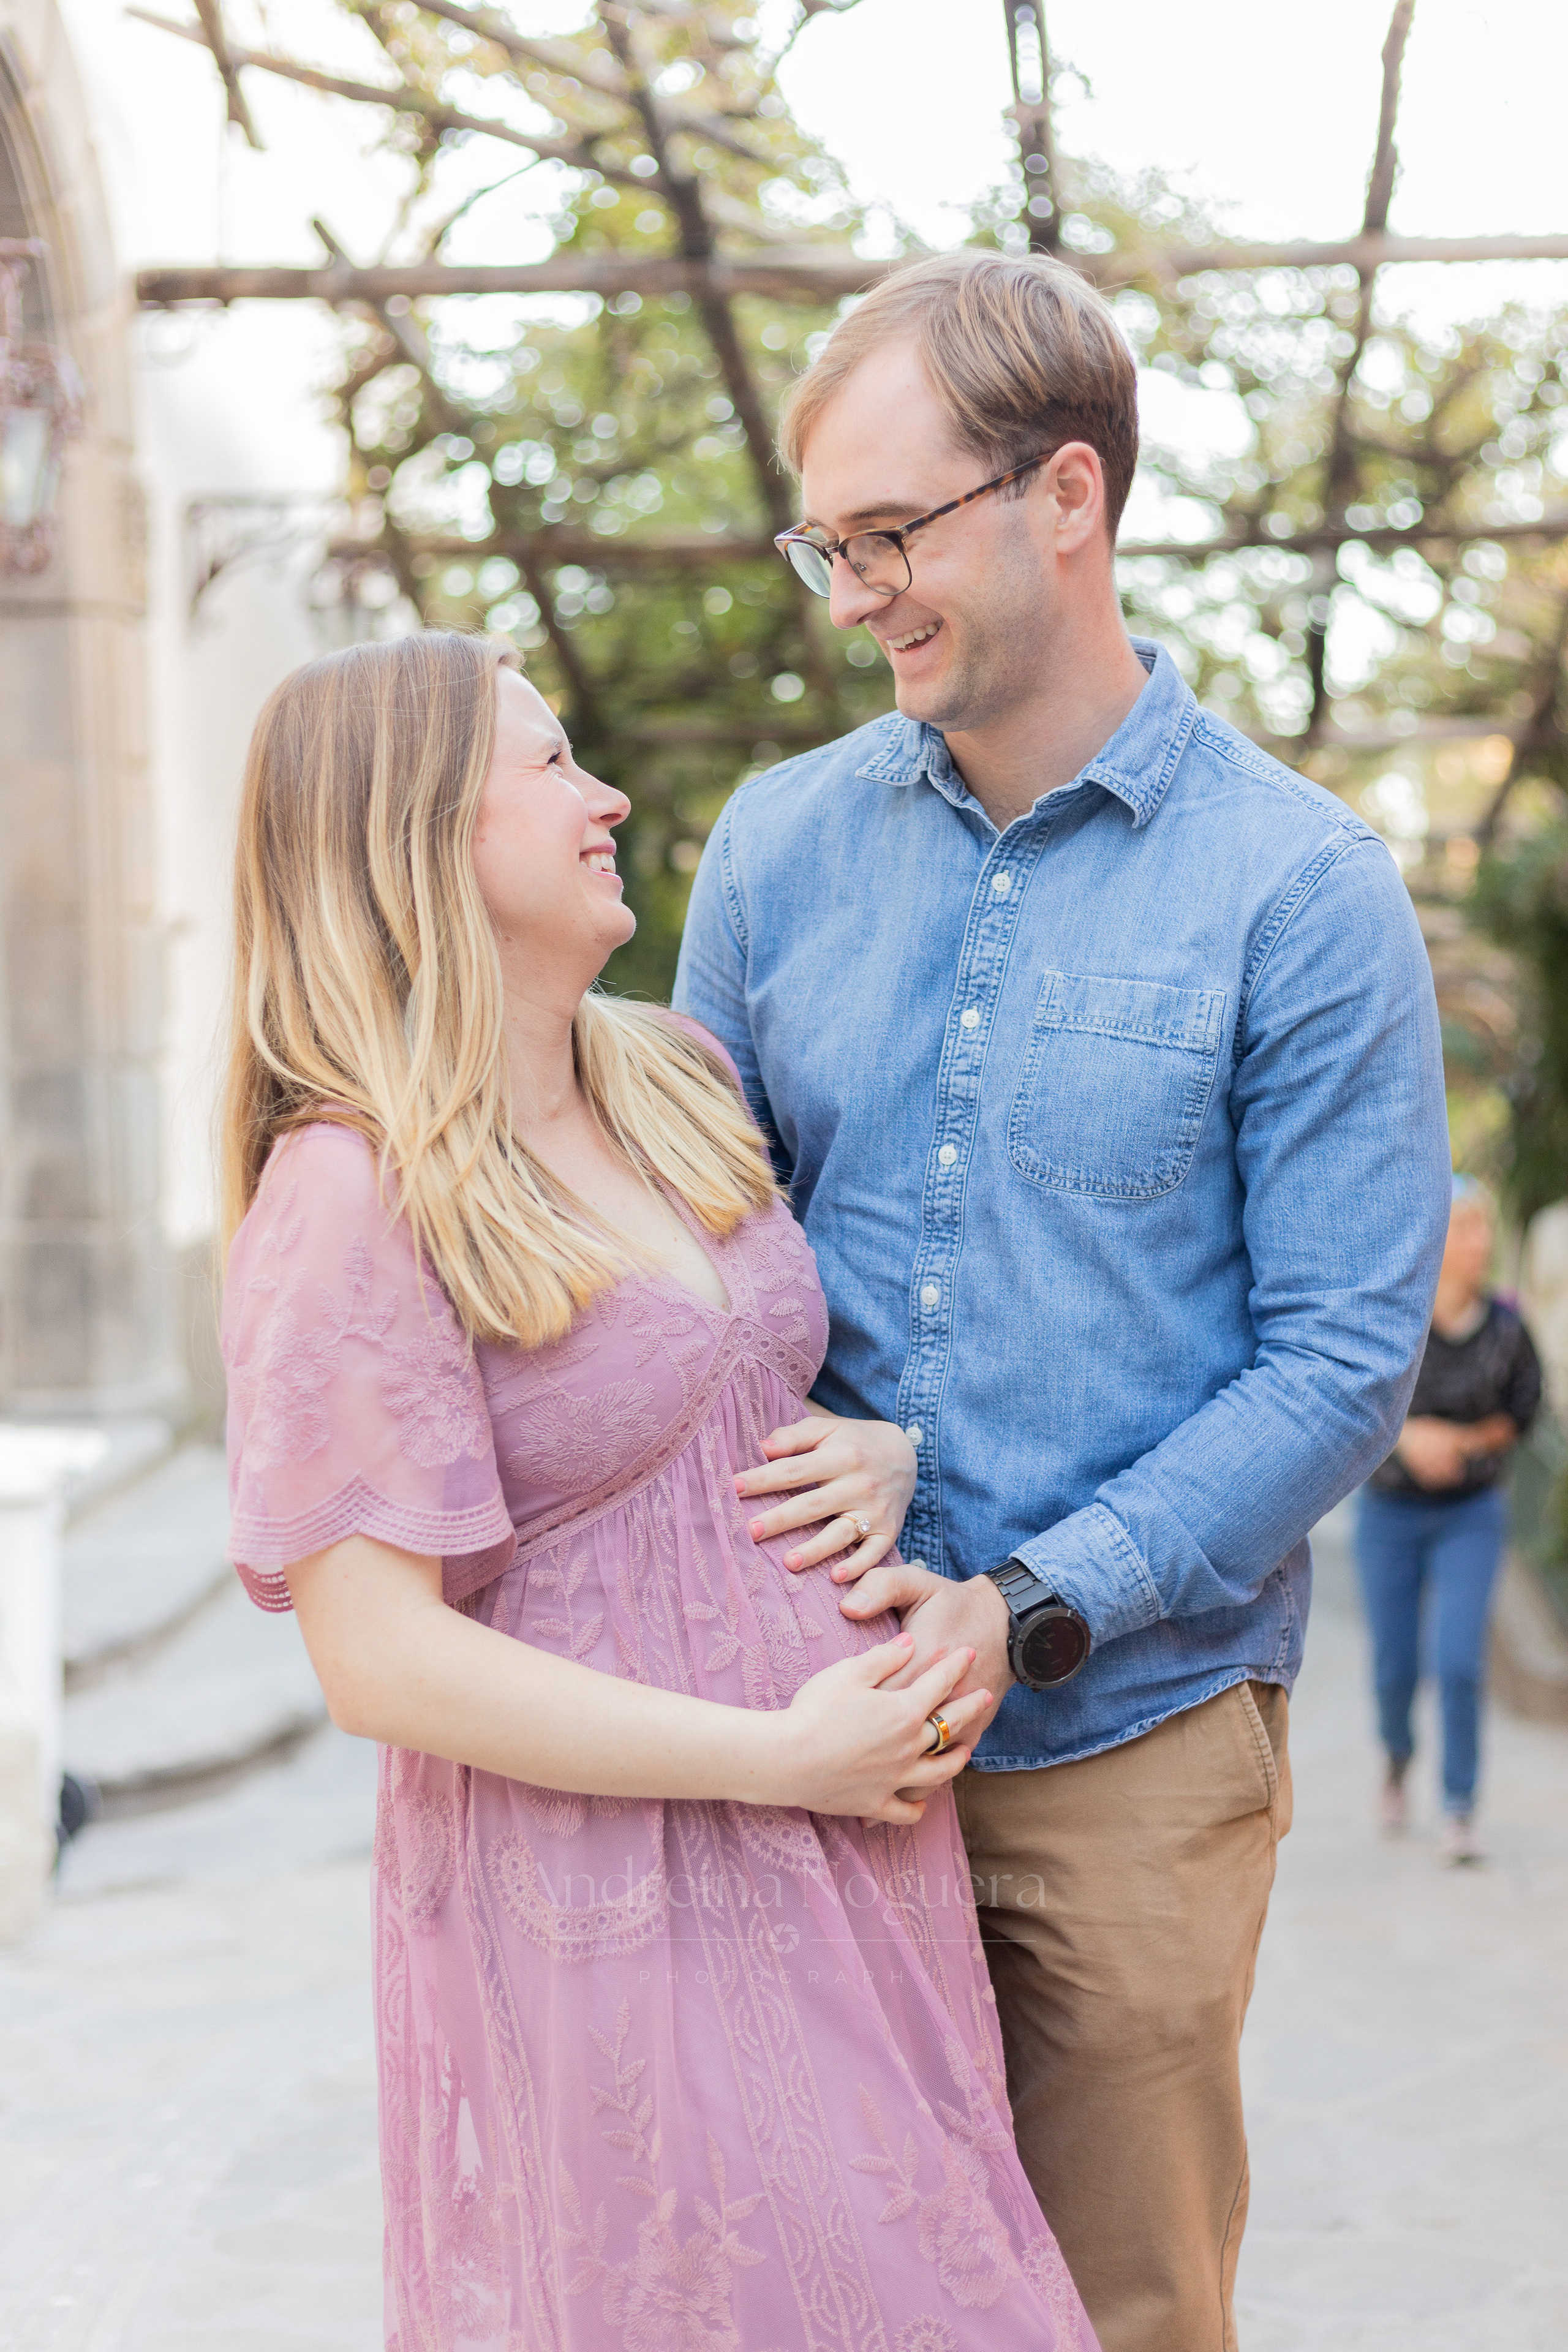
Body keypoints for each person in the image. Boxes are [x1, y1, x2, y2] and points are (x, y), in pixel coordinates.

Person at [674, 249, 1452, 2352]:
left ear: (1068, 495)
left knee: (1123, 2314)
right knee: (816, 2305)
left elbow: (1341, 1358)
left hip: (1127, 1743)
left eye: (891, 533)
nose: (853, 596)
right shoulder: (771, 850)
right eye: (825, 546)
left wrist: (1023, 1601)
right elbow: (699, 1256)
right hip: (808, 1720)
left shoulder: (1301, 890)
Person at [219, 632, 1098, 2352]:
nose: (608, 794)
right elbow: (378, 1660)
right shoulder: (349, 1188)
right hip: (619, 1881)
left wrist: (883, 1443)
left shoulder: (672, 1076)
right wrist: (777, 1755)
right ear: (416, 830)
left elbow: (746, 1388)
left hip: (849, 1845)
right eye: (550, 762)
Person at [1357, 1174, 1542, 1863]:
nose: (1479, 1242)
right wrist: (1409, 1439)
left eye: (1483, 1227)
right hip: (1390, 1513)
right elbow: (1354, 1400)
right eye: (1465, 1227)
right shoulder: (1393, 1322)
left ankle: (1459, 1806)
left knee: (1459, 1660)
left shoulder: (1507, 1331)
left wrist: (1464, 1442)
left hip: (1470, 1513)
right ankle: (1397, 1756)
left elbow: (1522, 1412)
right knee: (1395, 1666)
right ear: (1434, 1236)